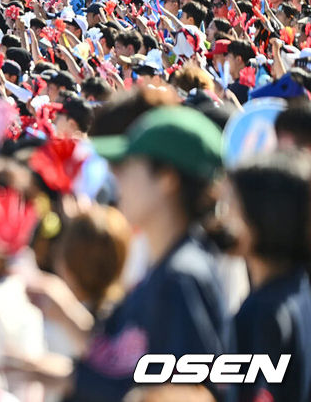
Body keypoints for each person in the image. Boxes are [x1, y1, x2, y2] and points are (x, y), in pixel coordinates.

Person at [74, 107, 230, 402]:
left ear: (167, 179)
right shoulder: (162, 265)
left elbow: (190, 393)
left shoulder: (181, 278)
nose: (114, 176)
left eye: (128, 165)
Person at [224, 152, 311, 402]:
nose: (224, 218)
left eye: (232, 205)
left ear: (261, 219)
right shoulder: (298, 286)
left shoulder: (263, 312)